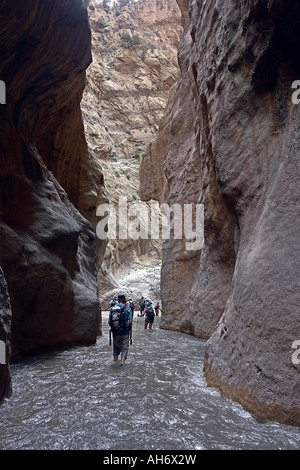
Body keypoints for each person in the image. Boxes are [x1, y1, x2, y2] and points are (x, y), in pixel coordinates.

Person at [108, 294, 132, 365]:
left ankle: (115, 362)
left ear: (118, 300)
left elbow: (109, 321)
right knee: (124, 348)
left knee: (116, 348)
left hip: (115, 332)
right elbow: (130, 321)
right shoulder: (127, 308)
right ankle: (122, 363)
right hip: (125, 332)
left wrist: (114, 327)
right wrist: (128, 328)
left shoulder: (113, 308)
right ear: (124, 300)